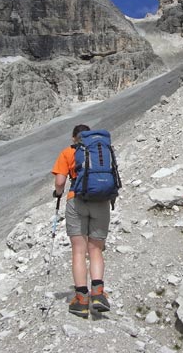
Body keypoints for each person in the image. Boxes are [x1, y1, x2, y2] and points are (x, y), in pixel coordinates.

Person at [51, 124, 111, 318]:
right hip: (101, 201)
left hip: (76, 201)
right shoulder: (102, 150)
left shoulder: (68, 152)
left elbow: (60, 182)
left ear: (73, 137)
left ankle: (81, 299)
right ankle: (98, 293)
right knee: (96, 249)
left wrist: (58, 193)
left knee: (79, 250)